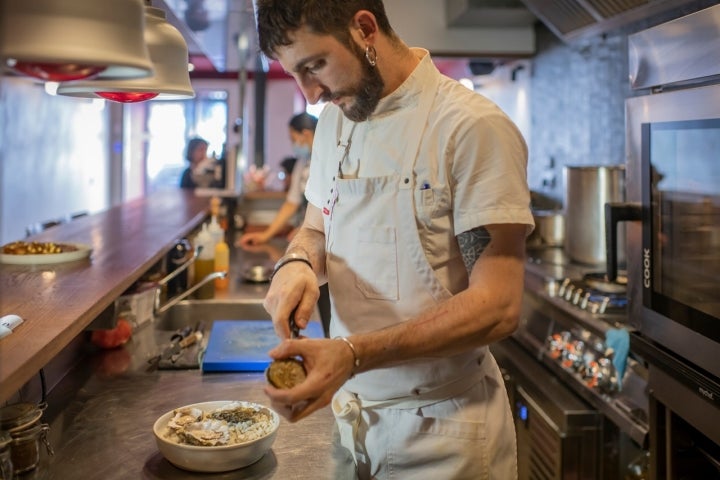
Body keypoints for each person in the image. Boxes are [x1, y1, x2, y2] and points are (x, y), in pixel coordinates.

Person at [256, 1, 534, 478]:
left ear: (364, 29)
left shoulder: (470, 126)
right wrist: (297, 263)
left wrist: (353, 353)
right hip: (350, 420)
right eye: (295, 74)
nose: (311, 94)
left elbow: (498, 305)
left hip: (444, 437)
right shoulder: (334, 125)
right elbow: (315, 226)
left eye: (314, 65)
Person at [237, 112, 318, 246]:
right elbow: (291, 203)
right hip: (305, 234)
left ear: (306, 134)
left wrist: (308, 229)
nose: (293, 144)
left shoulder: (328, 160)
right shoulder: (302, 163)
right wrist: (265, 235)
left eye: (293, 139)